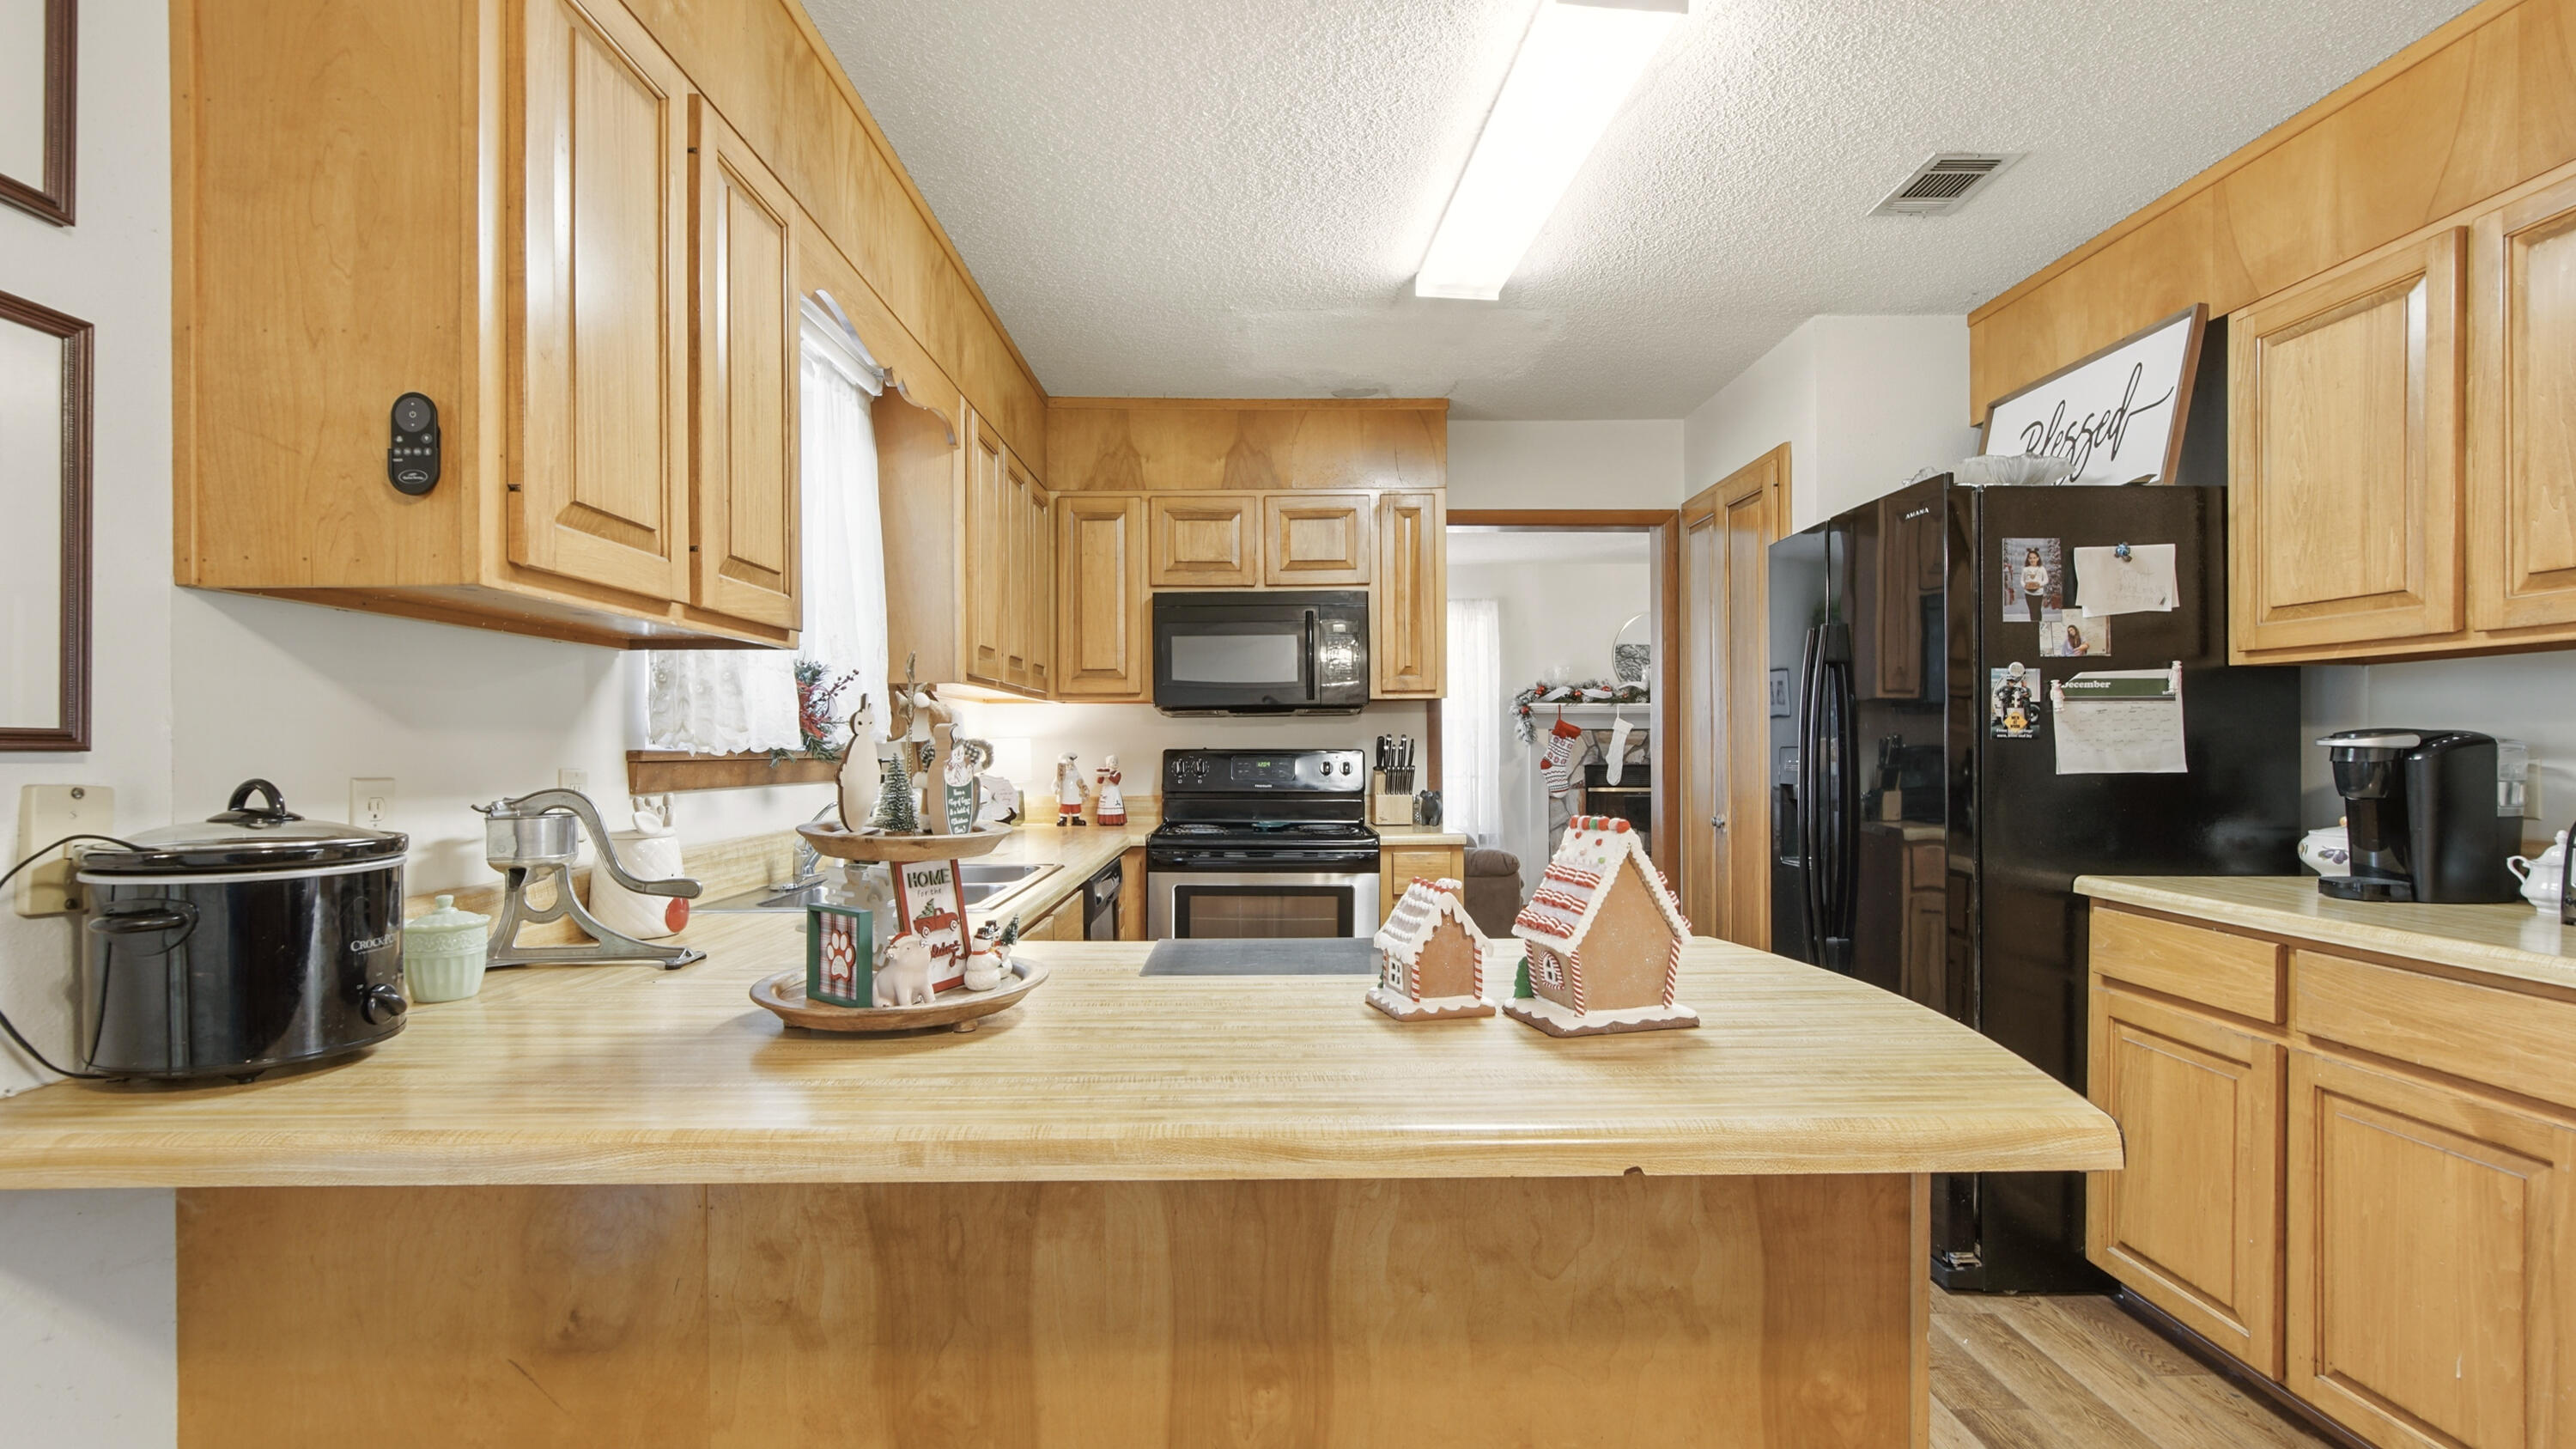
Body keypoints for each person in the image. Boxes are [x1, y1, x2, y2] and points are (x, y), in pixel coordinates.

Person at [2021, 546, 2050, 623]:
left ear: (2038, 558)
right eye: (2030, 558)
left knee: (2037, 610)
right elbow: (2022, 580)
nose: (2032, 560)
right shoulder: (2025, 569)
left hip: (2039, 593)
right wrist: (2025, 585)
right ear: (2028, 559)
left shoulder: (2041, 568)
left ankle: (2039, 623)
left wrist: (2039, 584)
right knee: (2032, 610)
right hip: (2028, 593)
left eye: (2034, 558)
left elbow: (2046, 580)